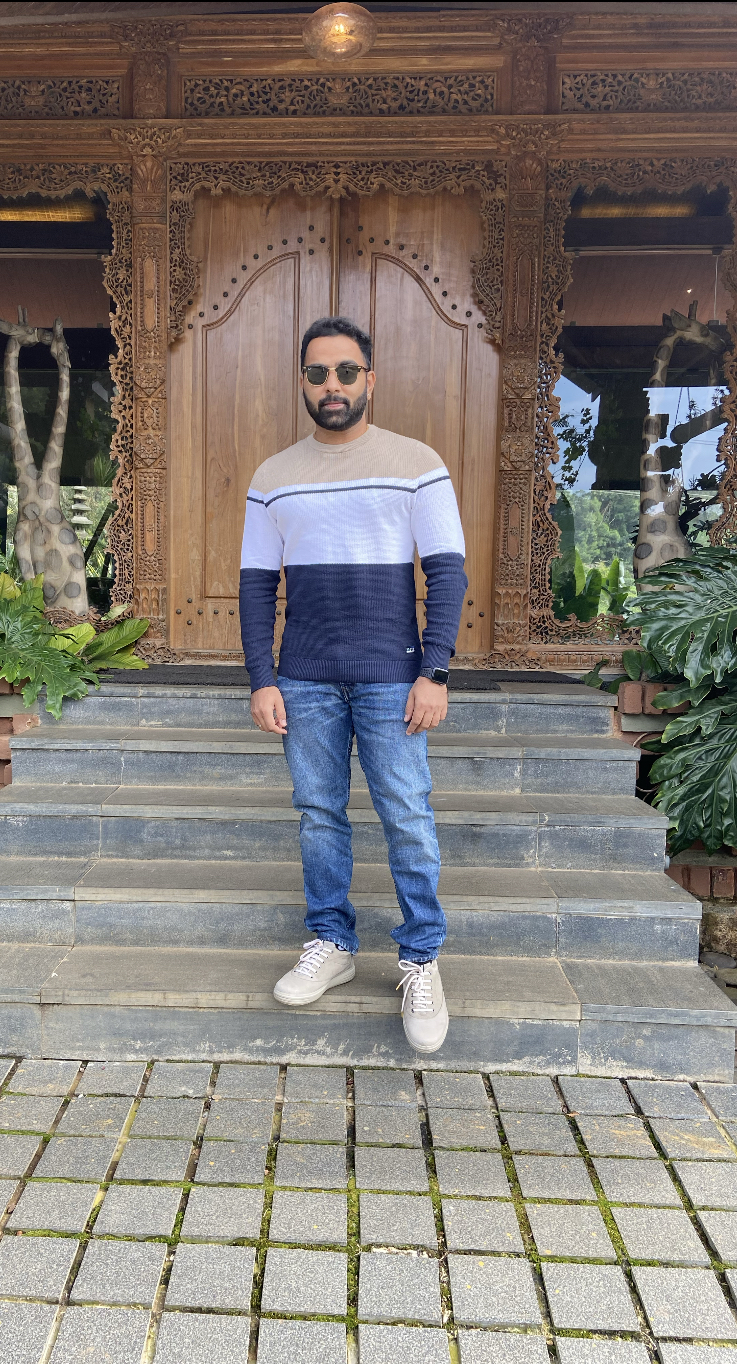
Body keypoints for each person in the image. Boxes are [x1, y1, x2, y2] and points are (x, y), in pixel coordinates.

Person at [239, 316, 467, 1052]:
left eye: (345, 371)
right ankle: (331, 944)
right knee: (319, 815)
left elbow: (448, 573)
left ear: (370, 378)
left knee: (407, 816)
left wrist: (434, 671)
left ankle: (421, 959)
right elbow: (255, 586)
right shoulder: (273, 476)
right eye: (317, 373)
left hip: (393, 678)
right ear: (303, 383)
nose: (331, 385)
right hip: (304, 678)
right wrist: (262, 679)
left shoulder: (416, 463)